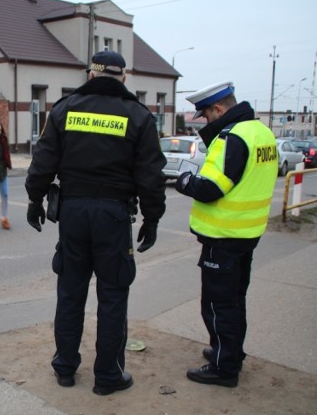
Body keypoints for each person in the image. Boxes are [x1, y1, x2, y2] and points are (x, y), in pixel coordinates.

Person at [24, 51, 166, 396]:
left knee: (71, 293)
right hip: (113, 216)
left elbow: (43, 161)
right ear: (124, 77)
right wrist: (152, 218)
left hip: (72, 212)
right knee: (113, 296)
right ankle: (108, 377)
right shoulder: (138, 115)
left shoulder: (64, 109)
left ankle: (65, 369)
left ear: (91, 74)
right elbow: (150, 176)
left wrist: (35, 199)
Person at [176, 81, 278, 387]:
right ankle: (231, 352)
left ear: (218, 109)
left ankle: (224, 367)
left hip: (224, 236)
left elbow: (210, 188)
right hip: (247, 232)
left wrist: (183, 181)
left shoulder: (231, 137)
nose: (207, 122)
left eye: (206, 116)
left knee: (218, 303)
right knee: (234, 299)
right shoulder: (262, 133)